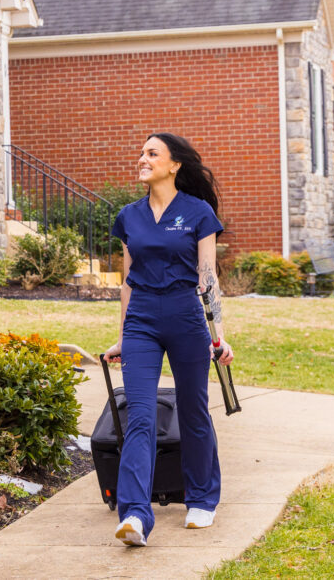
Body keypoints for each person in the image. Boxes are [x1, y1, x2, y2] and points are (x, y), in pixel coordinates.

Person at [103, 132, 233, 547]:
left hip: (185, 315)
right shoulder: (129, 216)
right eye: (141, 152)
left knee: (194, 411)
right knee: (140, 415)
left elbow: (208, 278)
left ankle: (201, 498)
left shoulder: (198, 212)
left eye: (151, 153)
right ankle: (136, 516)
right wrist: (122, 335)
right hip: (141, 317)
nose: (142, 158)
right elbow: (126, 281)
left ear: (174, 164)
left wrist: (220, 336)